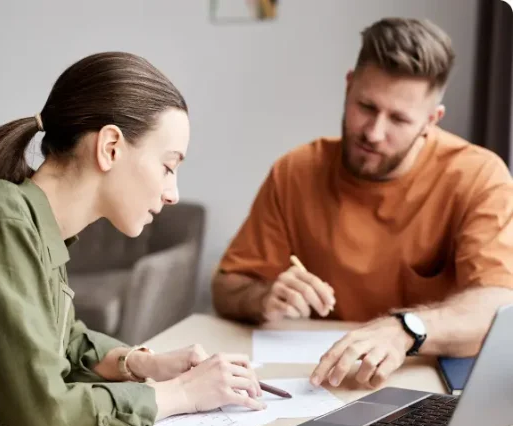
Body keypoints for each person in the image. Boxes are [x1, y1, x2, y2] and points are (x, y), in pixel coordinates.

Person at [0, 52, 265, 426]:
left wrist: (140, 363)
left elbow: (60, 339)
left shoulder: (36, 226)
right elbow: (47, 416)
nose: (173, 193)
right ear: (111, 146)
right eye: (168, 166)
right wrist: (183, 393)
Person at [211, 18, 513, 390]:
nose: (374, 132)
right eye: (366, 106)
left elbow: (500, 306)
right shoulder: (296, 171)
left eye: (399, 118)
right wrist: (263, 297)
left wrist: (405, 329)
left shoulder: (478, 175)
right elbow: (227, 288)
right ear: (349, 85)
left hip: (429, 383)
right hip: (326, 381)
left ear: (431, 121)